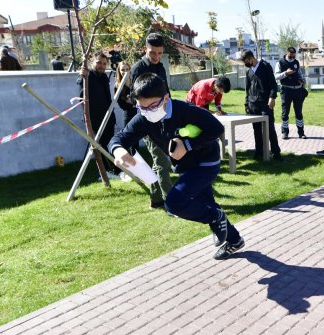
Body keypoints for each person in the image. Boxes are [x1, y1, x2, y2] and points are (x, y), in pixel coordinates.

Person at [109, 73, 245, 260]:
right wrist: (118, 151)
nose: (148, 111)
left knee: (174, 204)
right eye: (142, 107)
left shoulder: (185, 110)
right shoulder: (144, 117)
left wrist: (188, 145)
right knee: (207, 205)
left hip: (206, 162)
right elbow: (119, 138)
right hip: (186, 166)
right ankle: (234, 239)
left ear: (166, 98)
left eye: (153, 106)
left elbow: (216, 129)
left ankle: (216, 218)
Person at [130, 33, 174, 209]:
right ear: (145, 49)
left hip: (164, 119)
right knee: (163, 163)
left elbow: (166, 93)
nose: (156, 57)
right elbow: (137, 100)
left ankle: (156, 201)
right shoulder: (138, 68)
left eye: (159, 53)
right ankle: (173, 202)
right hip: (148, 122)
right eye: (152, 53)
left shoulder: (161, 67)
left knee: (160, 162)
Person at [78, 51, 119, 179]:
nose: (102, 66)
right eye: (99, 63)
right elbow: (82, 97)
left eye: (104, 63)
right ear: (92, 62)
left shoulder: (104, 77)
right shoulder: (87, 76)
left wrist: (111, 116)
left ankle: (115, 170)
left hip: (107, 117)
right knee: (100, 146)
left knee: (110, 144)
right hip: (95, 119)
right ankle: (105, 172)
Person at [241, 49, 282, 161]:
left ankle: (276, 153)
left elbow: (273, 84)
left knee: (270, 129)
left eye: (246, 61)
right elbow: (247, 89)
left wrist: (272, 98)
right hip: (253, 105)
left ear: (251, 58)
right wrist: (246, 104)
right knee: (256, 129)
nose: (246, 64)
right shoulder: (249, 72)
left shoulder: (265, 66)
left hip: (265, 104)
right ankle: (259, 152)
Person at [274, 47, 307, 139]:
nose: (292, 58)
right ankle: (285, 132)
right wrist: (286, 73)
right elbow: (276, 76)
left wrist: (301, 80)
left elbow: (300, 74)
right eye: (290, 56)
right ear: (287, 53)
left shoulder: (296, 62)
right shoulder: (280, 62)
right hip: (286, 90)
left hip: (298, 90)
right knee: (285, 112)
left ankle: (301, 132)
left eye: (294, 56)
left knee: (299, 112)